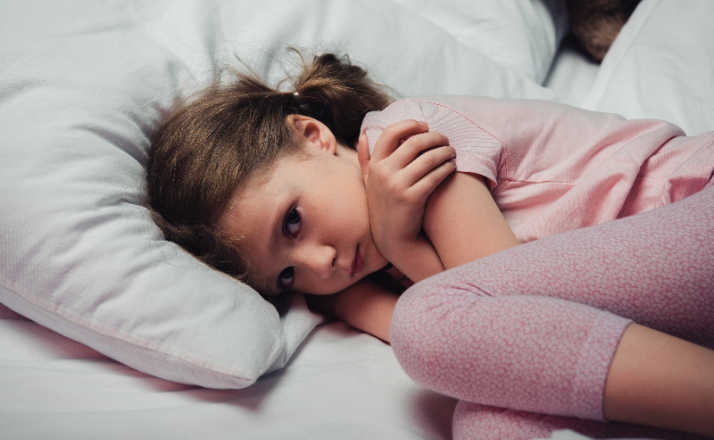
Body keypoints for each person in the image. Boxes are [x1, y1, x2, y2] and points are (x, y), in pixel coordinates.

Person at [146, 52, 714, 439]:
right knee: (488, 420)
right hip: (676, 314)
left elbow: (503, 298)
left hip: (695, 209)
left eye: (292, 222)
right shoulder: (360, 276)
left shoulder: (403, 139)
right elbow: (502, 355)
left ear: (313, 136)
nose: (322, 263)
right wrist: (354, 299)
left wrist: (400, 239)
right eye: (288, 277)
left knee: (427, 325)